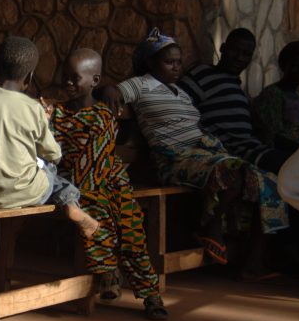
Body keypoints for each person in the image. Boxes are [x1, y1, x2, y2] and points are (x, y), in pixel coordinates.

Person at [101, 28, 288, 275]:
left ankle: (253, 261)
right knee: (234, 170)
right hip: (174, 159)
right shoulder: (142, 83)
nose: (177, 68)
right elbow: (113, 91)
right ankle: (210, 227)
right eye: (169, 62)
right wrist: (108, 91)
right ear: (150, 63)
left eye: (179, 62)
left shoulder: (179, 92)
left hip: (202, 154)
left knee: (268, 181)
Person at [51, 48, 167, 319]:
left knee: (131, 229)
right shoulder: (57, 114)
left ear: (94, 81)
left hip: (110, 184)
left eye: (75, 78)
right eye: (65, 76)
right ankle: (108, 272)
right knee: (93, 213)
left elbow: (95, 157)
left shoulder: (103, 114)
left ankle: (150, 294)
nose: (68, 82)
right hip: (79, 188)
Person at [0, 36, 99, 234]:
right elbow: (54, 154)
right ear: (29, 78)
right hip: (24, 193)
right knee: (55, 177)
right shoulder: (33, 109)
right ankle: (71, 203)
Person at [179, 29, 290, 174]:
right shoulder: (203, 73)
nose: (239, 58)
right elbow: (178, 105)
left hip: (254, 148)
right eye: (234, 50)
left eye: (246, 54)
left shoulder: (234, 85)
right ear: (223, 48)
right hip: (238, 152)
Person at [253, 41, 299, 155]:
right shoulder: (273, 94)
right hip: (284, 156)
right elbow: (273, 137)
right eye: (295, 66)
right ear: (283, 65)